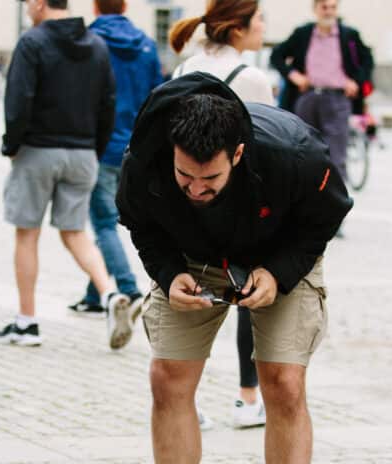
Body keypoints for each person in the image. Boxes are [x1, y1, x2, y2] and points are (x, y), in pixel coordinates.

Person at [115, 76, 352, 464]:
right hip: (191, 259)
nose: (196, 190)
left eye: (211, 180)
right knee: (167, 378)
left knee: (283, 383)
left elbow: (327, 215)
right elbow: (138, 222)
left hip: (279, 253)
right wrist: (168, 271)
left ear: (239, 154)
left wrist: (280, 272)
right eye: (185, 179)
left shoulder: (294, 153)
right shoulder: (146, 155)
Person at [0, 0, 131, 350]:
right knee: (75, 233)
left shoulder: (32, 42)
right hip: (83, 152)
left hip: (38, 149)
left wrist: (12, 145)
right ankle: (109, 293)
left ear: (40, 4)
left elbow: (18, 100)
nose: (26, 9)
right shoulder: (96, 46)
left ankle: (26, 322)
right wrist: (93, 150)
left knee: (27, 234)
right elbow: (108, 104)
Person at [168, 0, 274, 429]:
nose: (264, 26)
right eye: (260, 19)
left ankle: (187, 401)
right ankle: (248, 398)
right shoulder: (250, 78)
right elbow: (271, 144)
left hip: (191, 201)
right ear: (238, 29)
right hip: (241, 207)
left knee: (190, 293)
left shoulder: (182, 70)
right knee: (250, 297)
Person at [65, 0, 164, 325]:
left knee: (104, 222)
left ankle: (128, 290)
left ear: (95, 7)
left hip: (100, 145)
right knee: (106, 219)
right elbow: (157, 97)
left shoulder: (89, 40)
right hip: (134, 147)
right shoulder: (146, 44)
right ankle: (95, 293)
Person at [270, 0, 374, 185]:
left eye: (333, 7)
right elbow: (277, 55)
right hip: (307, 97)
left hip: (337, 99)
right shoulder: (303, 33)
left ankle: (335, 202)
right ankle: (304, 198)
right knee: (303, 150)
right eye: (324, 7)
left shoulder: (348, 35)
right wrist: (294, 76)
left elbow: (367, 60)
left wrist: (356, 82)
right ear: (315, 9)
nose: (328, 12)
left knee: (336, 155)